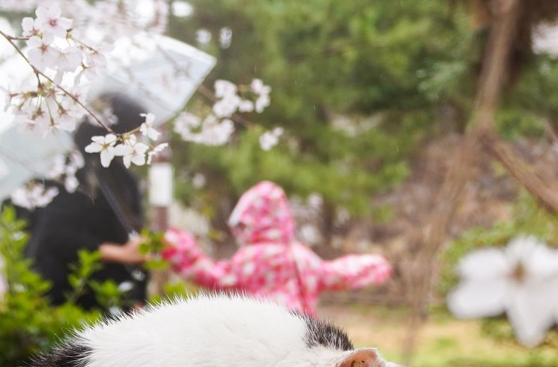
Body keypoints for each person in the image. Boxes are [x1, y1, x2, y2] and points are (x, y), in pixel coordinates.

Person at [100, 179, 392, 316]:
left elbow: (219, 279)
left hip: (262, 330)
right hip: (305, 329)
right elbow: (330, 275)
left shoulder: (254, 257)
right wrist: (369, 267)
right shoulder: (300, 254)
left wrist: (178, 248)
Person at [23, 96, 148, 311]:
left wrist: (138, 295)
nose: (135, 140)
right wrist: (119, 253)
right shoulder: (68, 173)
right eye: (131, 133)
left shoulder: (123, 177)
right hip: (76, 299)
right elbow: (53, 237)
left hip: (123, 298)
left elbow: (134, 226)